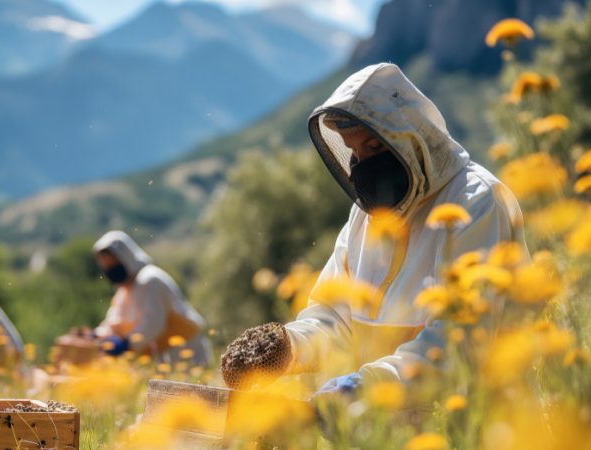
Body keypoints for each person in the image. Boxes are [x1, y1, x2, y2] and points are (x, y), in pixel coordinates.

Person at [221, 63, 527, 398]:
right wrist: (287, 346)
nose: (362, 164)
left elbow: (458, 340)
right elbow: (335, 315)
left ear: (412, 138)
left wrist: (365, 387)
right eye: (354, 151)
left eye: (375, 147)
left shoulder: (477, 202)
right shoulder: (364, 219)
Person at [92, 230, 212, 366]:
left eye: (113, 264)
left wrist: (125, 344)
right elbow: (114, 321)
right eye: (106, 267)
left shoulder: (149, 280)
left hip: (187, 356)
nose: (111, 270)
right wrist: (96, 335)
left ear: (125, 257)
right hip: (165, 361)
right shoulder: (125, 291)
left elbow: (153, 324)